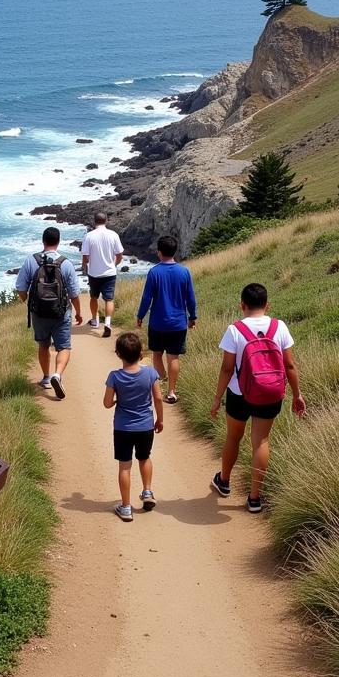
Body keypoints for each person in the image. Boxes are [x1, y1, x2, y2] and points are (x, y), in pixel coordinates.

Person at [209, 282, 306, 513]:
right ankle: (254, 498)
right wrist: (297, 394)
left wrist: (216, 398)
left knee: (234, 437)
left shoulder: (235, 330)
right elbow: (289, 365)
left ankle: (224, 481)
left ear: (242, 305)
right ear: (267, 305)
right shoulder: (279, 327)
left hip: (238, 393)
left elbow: (226, 369)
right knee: (261, 441)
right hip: (270, 392)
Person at [15, 226, 83, 399]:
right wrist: (78, 313)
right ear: (58, 241)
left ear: (43, 241)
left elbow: (21, 288)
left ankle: (46, 378)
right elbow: (74, 293)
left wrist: (27, 301)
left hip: (39, 312)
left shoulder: (32, 260)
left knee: (44, 345)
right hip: (61, 312)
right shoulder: (65, 263)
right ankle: (57, 375)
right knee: (64, 347)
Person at [103, 331, 163, 521]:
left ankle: (126, 507)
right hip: (145, 426)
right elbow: (158, 398)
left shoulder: (114, 376)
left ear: (118, 354)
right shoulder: (151, 373)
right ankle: (147, 492)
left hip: (123, 428)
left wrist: (116, 401)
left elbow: (106, 403)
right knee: (144, 458)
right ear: (141, 353)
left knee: (125, 467)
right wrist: (159, 419)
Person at [136, 235, 197, 404]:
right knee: (173, 357)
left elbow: (147, 298)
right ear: (174, 251)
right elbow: (190, 298)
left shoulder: (154, 272)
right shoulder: (184, 272)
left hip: (157, 323)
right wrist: (193, 317)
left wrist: (140, 316)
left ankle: (161, 381)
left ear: (159, 252)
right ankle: (171, 391)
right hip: (178, 323)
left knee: (157, 355)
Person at [81, 211, 124, 337]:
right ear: (106, 221)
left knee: (93, 297)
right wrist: (114, 265)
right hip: (110, 272)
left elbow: (85, 257)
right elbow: (119, 254)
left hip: (94, 273)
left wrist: (85, 266)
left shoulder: (89, 236)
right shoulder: (113, 235)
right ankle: (107, 323)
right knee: (109, 299)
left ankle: (95, 320)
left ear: (94, 222)